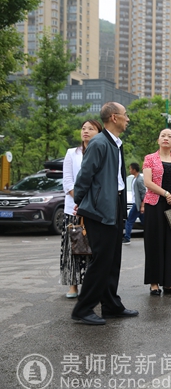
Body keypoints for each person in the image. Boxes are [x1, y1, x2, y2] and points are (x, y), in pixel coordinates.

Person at [71, 102, 138, 325]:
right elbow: (84, 176)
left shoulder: (116, 143)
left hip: (114, 205)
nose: (128, 119)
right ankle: (83, 309)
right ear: (114, 117)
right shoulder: (99, 143)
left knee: (112, 259)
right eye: (125, 115)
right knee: (101, 260)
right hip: (99, 209)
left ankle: (111, 305)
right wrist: (81, 201)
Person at [60, 119, 101, 298]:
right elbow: (68, 181)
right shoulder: (72, 153)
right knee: (73, 248)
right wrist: (79, 199)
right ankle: (73, 286)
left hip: (95, 209)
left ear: (99, 133)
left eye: (91, 129)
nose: (86, 131)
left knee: (93, 249)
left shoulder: (101, 152)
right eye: (84, 128)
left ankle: (91, 287)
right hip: (73, 209)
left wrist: (89, 202)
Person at [143, 128, 171, 296]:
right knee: (154, 243)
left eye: (169, 136)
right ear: (158, 140)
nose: (166, 138)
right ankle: (154, 283)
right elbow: (147, 182)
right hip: (154, 205)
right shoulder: (149, 158)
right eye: (163, 135)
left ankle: (169, 283)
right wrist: (166, 194)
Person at [123, 162, 146, 245]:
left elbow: (144, 193)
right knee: (145, 222)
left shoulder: (139, 180)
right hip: (136, 203)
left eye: (130, 169)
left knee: (129, 221)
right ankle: (152, 235)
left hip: (137, 204)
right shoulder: (134, 179)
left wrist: (142, 205)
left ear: (134, 170)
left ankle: (127, 238)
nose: (129, 170)